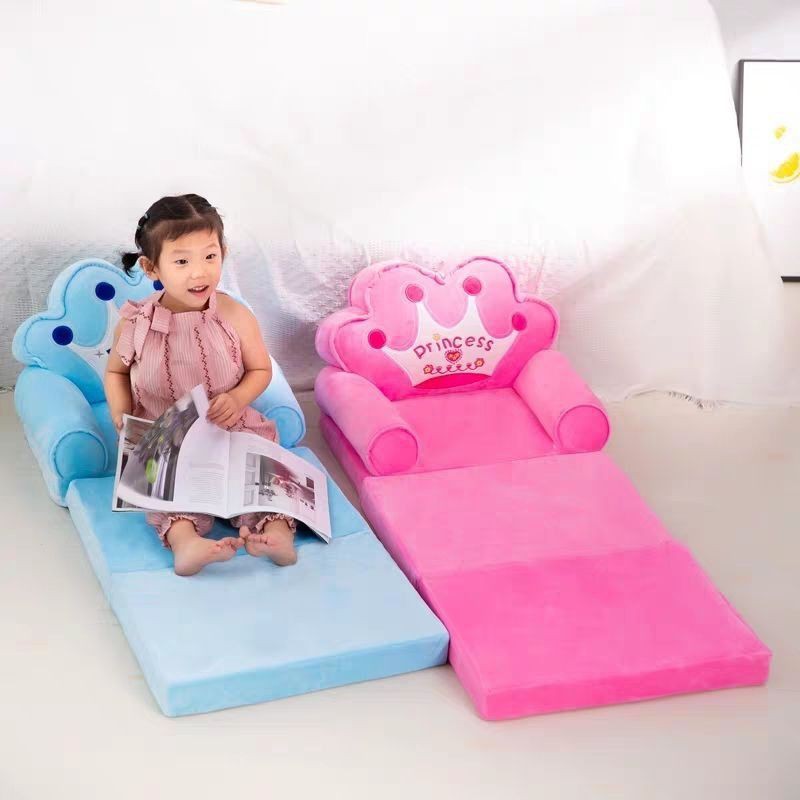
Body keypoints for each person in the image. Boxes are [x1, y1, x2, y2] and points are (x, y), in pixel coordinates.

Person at [105, 194, 297, 575]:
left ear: (223, 252)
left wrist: (238, 397)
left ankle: (276, 534)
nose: (199, 273)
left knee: (267, 478)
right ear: (151, 267)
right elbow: (116, 373)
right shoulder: (136, 324)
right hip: (167, 434)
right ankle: (186, 542)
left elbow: (260, 369)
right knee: (167, 492)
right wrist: (121, 414)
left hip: (231, 424)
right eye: (182, 261)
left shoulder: (234, 315)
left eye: (210, 256)